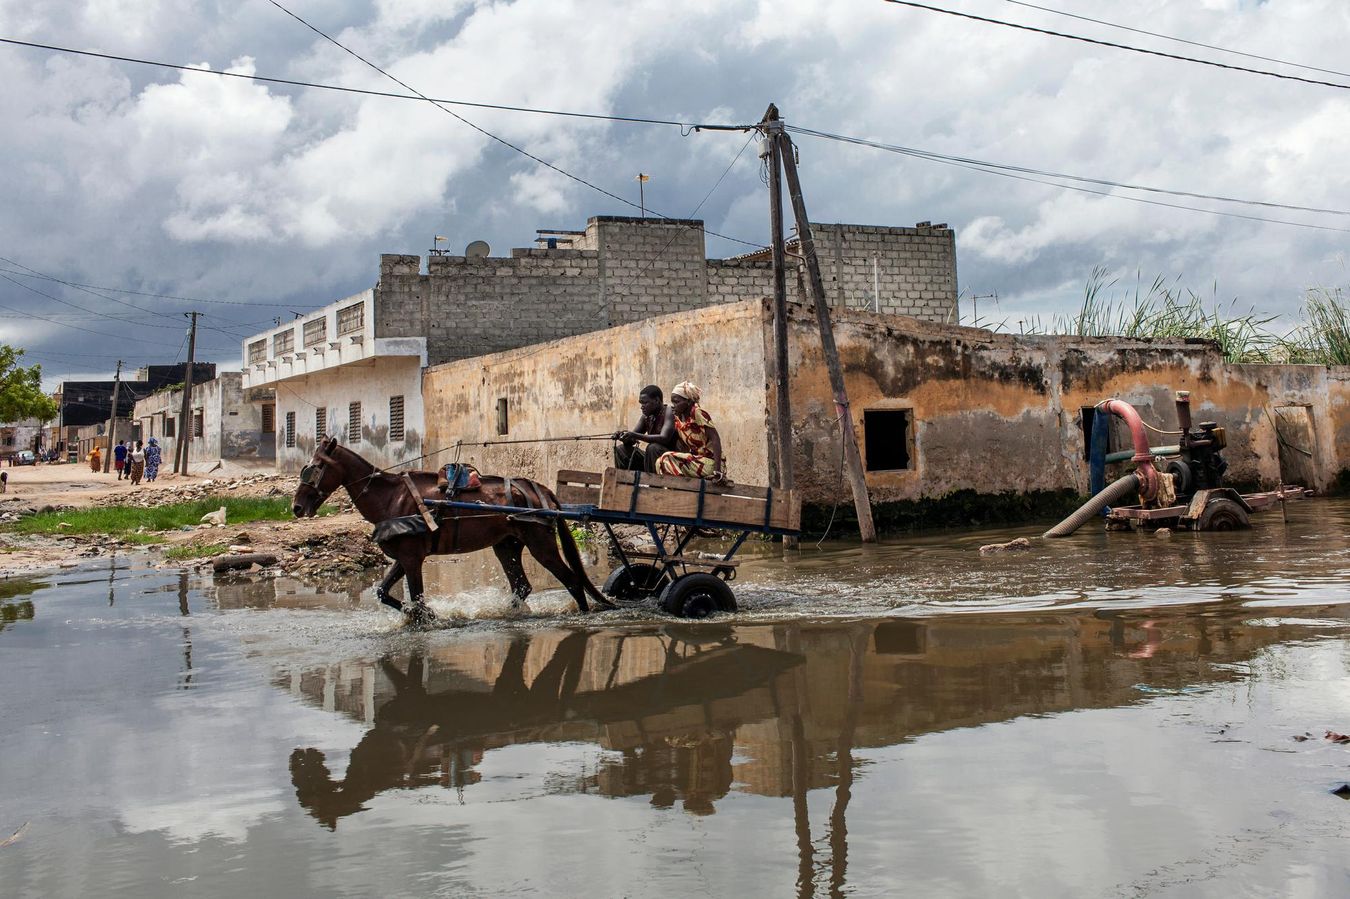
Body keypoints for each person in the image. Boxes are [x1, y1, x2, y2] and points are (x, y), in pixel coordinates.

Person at [655, 381, 727, 483]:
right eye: (673, 402)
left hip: (710, 463)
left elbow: (715, 439)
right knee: (659, 462)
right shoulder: (678, 419)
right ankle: (676, 491)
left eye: (677, 402)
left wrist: (717, 471)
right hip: (696, 461)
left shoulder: (697, 413)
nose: (673, 405)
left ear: (688, 402)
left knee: (666, 458)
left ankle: (680, 490)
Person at [613, 384, 675, 473]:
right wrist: (623, 436)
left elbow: (664, 438)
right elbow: (632, 439)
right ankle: (625, 483)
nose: (642, 406)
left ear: (657, 400)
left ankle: (654, 484)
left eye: (645, 403)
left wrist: (634, 435)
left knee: (653, 448)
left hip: (670, 460)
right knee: (621, 449)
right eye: (641, 403)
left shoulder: (669, 411)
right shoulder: (646, 416)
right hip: (651, 459)